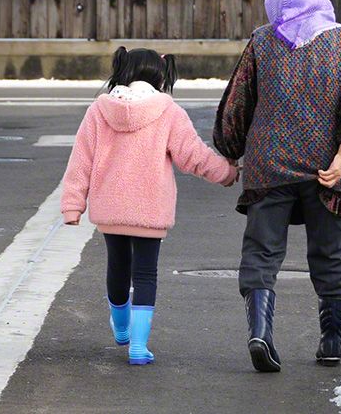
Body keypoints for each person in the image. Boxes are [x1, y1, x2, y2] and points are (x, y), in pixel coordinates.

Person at [214, 0, 341, 371]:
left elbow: (238, 102)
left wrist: (230, 149)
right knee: (330, 252)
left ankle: (260, 332)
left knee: (261, 251)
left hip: (269, 164)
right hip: (326, 169)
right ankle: (331, 341)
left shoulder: (262, 41)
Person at [61, 46, 239, 365]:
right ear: (160, 75)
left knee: (117, 267)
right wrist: (225, 173)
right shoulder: (168, 111)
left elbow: (81, 160)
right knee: (145, 274)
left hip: (111, 208)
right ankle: (139, 346)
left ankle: (121, 327)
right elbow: (193, 156)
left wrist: (72, 206)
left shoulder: (99, 110)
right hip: (150, 210)